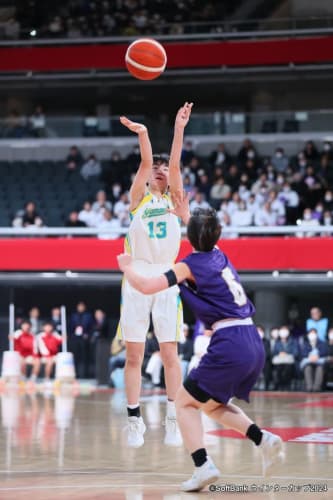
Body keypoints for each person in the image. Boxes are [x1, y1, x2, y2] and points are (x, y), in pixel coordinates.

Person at [117, 197, 283, 492]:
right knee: (213, 405)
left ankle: (203, 465)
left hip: (230, 341)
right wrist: (187, 215)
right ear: (216, 235)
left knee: (183, 402)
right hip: (252, 340)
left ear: (187, 237)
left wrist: (127, 267)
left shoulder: (186, 266)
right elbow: (204, 233)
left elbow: (144, 287)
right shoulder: (220, 256)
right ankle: (263, 439)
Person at [116, 101, 193, 448]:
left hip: (166, 279)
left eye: (164, 168)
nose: (160, 170)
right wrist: (143, 133)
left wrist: (179, 128)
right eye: (156, 168)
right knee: (134, 355)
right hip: (136, 279)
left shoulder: (176, 201)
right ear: (147, 177)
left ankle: (173, 417)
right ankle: (134, 420)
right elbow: (146, 161)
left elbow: (175, 163)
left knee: (169, 353)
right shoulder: (138, 200)